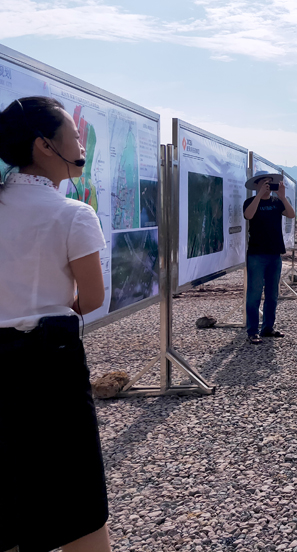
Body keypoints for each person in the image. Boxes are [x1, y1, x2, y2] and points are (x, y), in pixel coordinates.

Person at [0, 97, 112, 551]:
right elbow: (93, 298)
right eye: (74, 133)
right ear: (44, 145)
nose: (80, 142)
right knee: (76, 499)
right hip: (49, 362)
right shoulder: (72, 213)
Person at [244, 173, 296, 343]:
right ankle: (252, 331)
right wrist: (259, 196)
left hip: (274, 253)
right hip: (256, 254)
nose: (267, 186)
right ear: (256, 185)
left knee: (272, 294)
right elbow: (248, 216)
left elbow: (291, 214)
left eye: (270, 183)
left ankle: (268, 328)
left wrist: (282, 196)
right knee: (254, 293)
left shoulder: (277, 202)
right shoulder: (250, 202)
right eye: (264, 183)